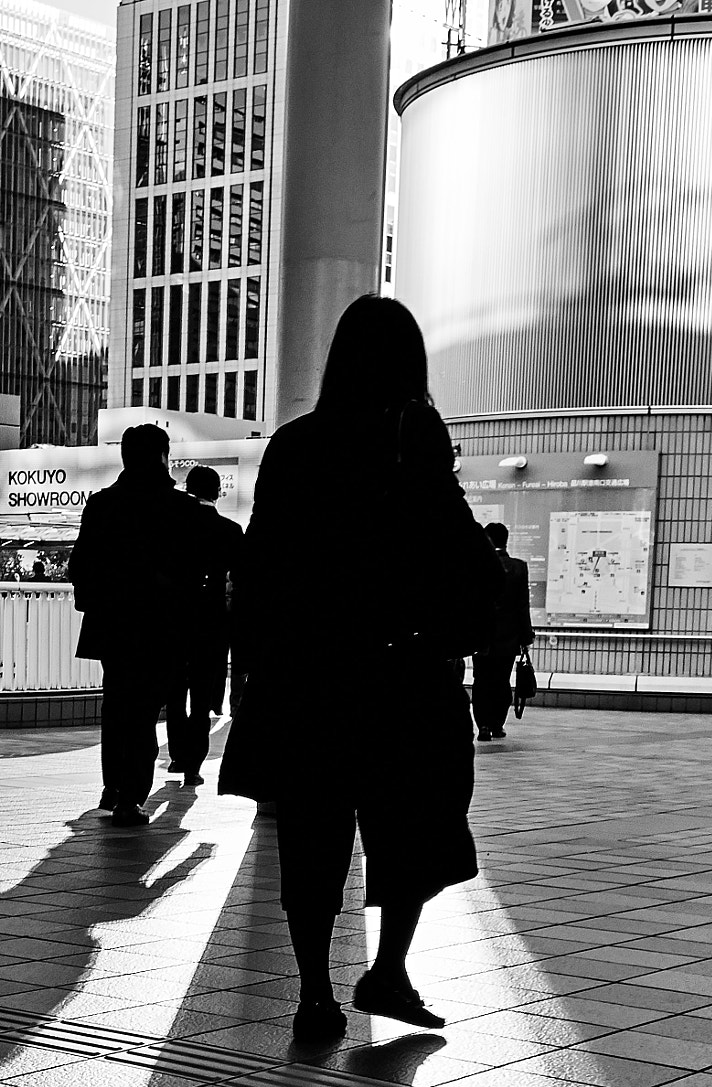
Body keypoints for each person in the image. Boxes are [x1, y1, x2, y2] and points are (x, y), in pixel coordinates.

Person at [221, 294, 495, 1042]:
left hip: (309, 675)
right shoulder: (413, 431)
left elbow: (262, 561)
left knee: (312, 836)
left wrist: (251, 668)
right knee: (411, 825)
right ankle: (388, 970)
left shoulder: (295, 443)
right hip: (401, 671)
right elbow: (450, 537)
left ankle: (315, 994)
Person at [70, 423, 208, 826]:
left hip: (112, 623)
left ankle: (112, 788)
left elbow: (80, 565)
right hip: (161, 626)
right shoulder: (182, 510)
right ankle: (131, 795)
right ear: (163, 457)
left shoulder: (102, 505)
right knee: (145, 710)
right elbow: (193, 575)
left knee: (116, 704)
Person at [165, 464, 242, 787]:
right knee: (201, 696)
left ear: (187, 489)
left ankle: (177, 755)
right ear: (217, 493)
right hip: (212, 625)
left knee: (174, 692)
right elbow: (241, 581)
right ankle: (193, 765)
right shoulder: (230, 531)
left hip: (174, 620)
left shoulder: (172, 524)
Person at [472, 523, 535, 741]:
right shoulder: (519, 567)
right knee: (501, 680)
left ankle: (483, 726)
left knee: (481, 681)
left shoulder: (477, 567)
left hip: (481, 637)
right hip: (509, 638)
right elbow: (522, 606)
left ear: (487, 539)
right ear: (505, 540)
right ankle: (497, 724)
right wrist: (526, 636)